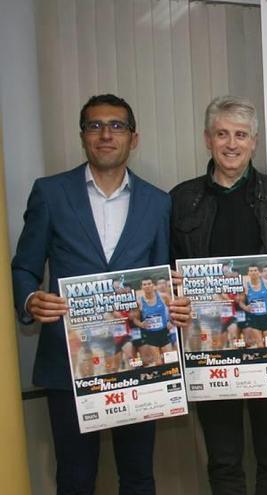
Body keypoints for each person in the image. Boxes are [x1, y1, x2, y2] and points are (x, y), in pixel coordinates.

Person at [11, 94, 190, 494]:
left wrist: (173, 304)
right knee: (75, 476)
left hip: (139, 360)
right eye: (95, 125)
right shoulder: (50, 193)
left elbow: (162, 274)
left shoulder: (158, 202)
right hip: (69, 362)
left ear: (134, 137)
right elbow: (24, 266)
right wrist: (29, 299)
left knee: (139, 475)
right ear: (82, 136)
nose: (106, 134)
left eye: (117, 126)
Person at [170, 95, 267, 494]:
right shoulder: (180, 199)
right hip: (208, 346)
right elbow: (165, 265)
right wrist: (174, 288)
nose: (232, 144)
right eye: (222, 134)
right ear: (207, 139)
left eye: (241, 135)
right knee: (224, 460)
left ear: (255, 142)